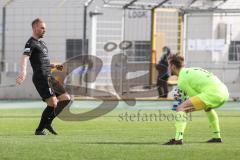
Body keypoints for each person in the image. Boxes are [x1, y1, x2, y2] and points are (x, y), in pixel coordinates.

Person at [16, 18, 72, 135]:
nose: (44, 30)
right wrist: (23, 72)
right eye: (42, 28)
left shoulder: (42, 44)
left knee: (66, 98)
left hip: (49, 76)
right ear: (35, 28)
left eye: (45, 28)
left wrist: (57, 67)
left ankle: (47, 123)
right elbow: (24, 58)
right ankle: (40, 129)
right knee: (53, 103)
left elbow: (45, 63)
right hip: (41, 77)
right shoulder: (30, 43)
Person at [164, 54, 229, 145]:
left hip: (213, 93)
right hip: (224, 92)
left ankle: (178, 139)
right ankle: (216, 136)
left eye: (169, 66)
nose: (168, 68)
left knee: (181, 108)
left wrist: (182, 103)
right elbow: (198, 98)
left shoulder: (182, 79)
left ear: (173, 66)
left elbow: (194, 96)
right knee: (207, 107)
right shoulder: (190, 71)